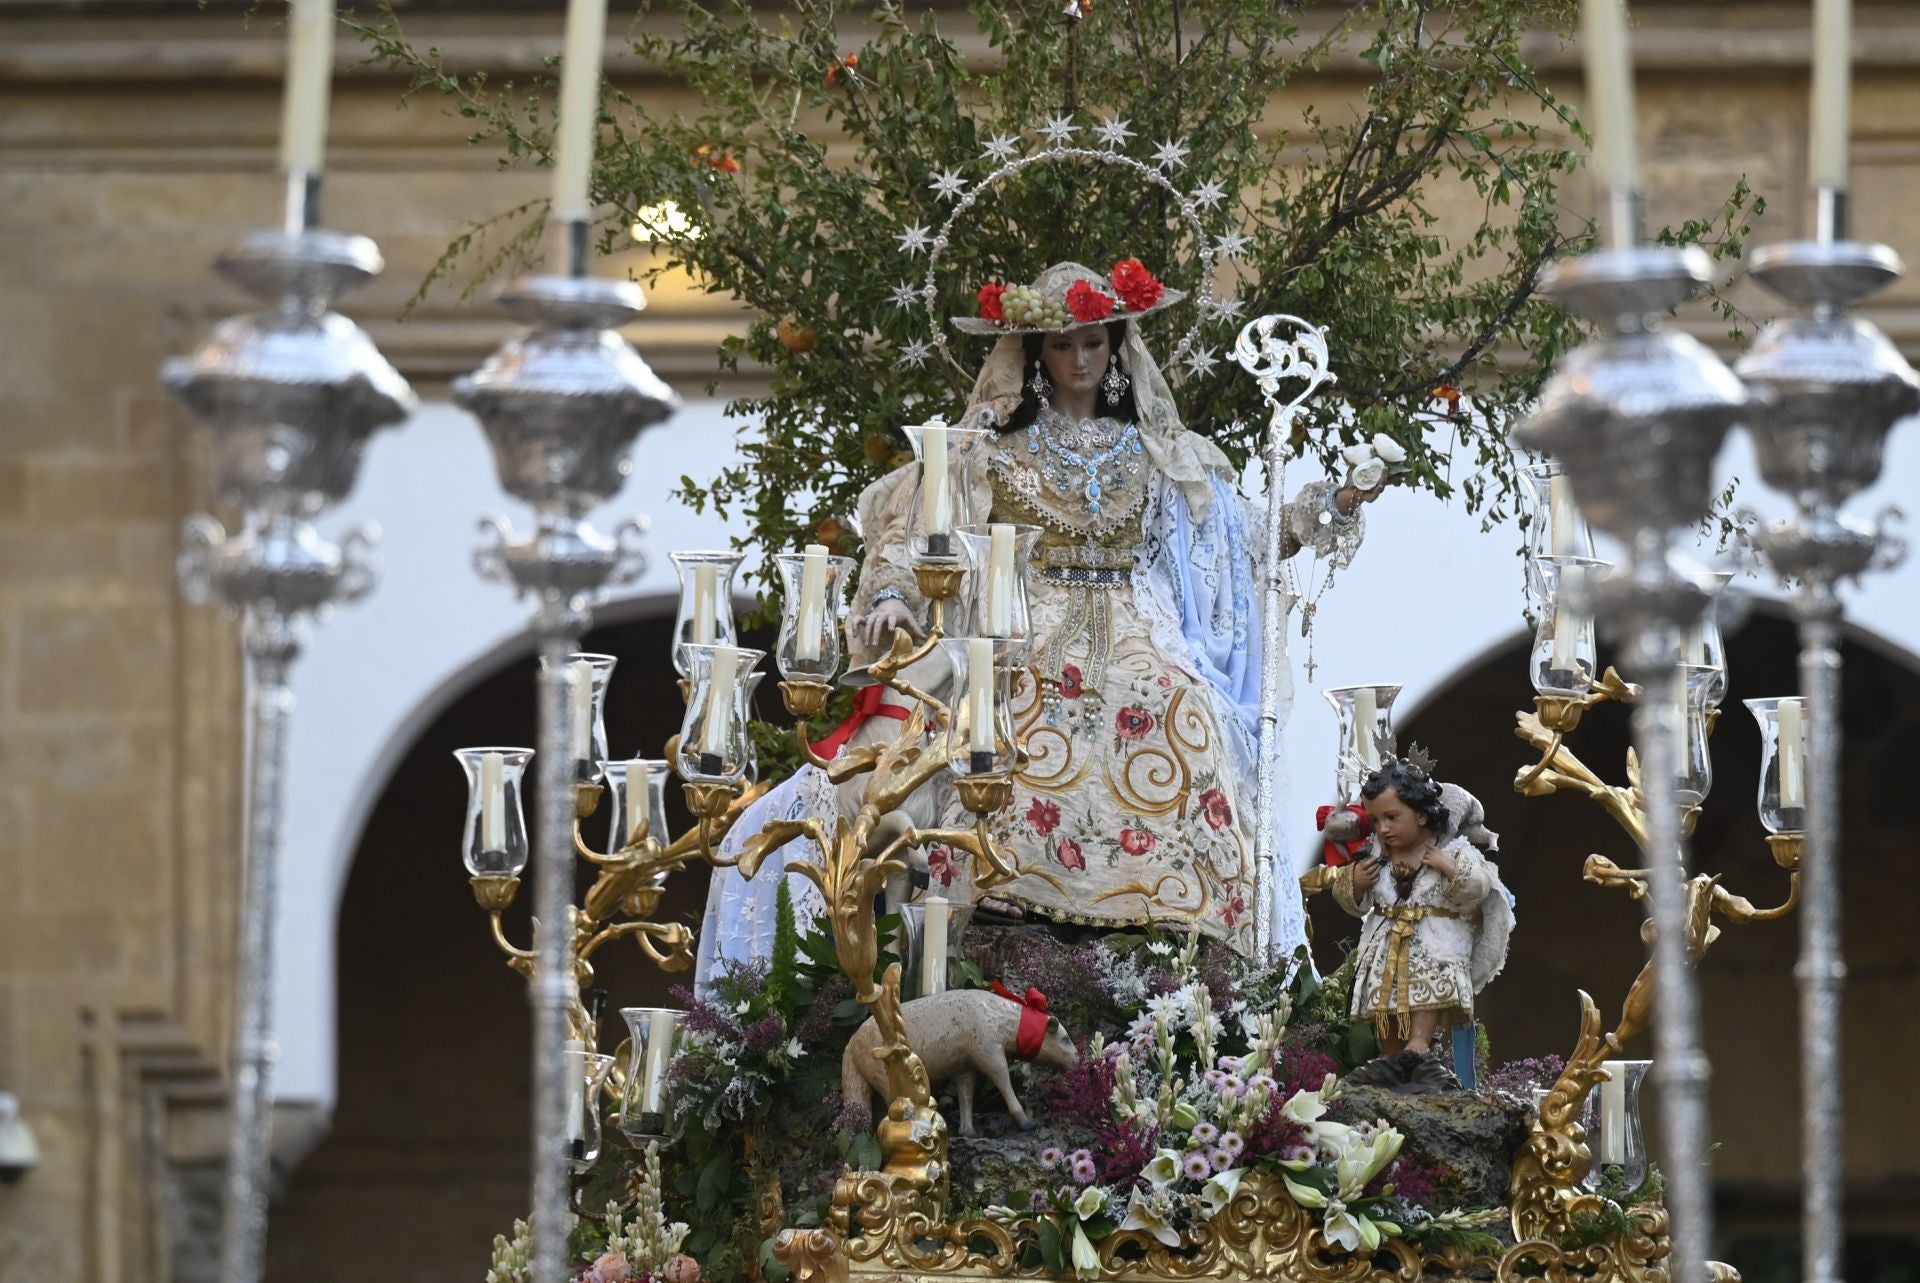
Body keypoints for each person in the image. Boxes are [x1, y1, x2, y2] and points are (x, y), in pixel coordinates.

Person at [844, 259, 1380, 958]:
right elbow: (920, 528)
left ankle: (1181, 922)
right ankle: (1010, 908)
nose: (1080, 359)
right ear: (1037, 353)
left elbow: (1245, 534)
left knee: (1181, 706)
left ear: (1118, 346)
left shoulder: (1159, 451)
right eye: (1063, 345)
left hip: (1134, 621)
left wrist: (1329, 506)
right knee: (1012, 715)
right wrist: (890, 595)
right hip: (1022, 622)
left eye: (1094, 343)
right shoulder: (990, 449)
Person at [1333, 756, 1512, 1090]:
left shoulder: (1454, 850)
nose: (1383, 828)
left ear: (1420, 814)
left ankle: (1419, 1044)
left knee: (1425, 994)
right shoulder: (1377, 860)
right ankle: (1390, 1054)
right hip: (1388, 944)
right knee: (1387, 1000)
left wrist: (1448, 867)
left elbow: (1477, 888)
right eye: (1375, 820)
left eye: (1392, 817)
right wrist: (1355, 881)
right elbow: (1354, 901)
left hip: (1433, 944)